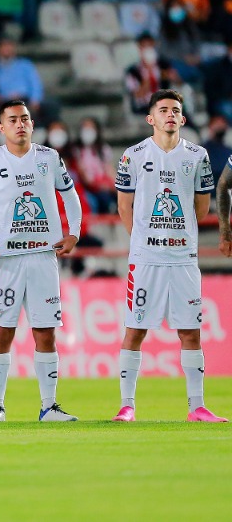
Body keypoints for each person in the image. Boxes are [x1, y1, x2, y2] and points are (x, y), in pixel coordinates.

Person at [0, 99, 84, 423]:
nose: (20, 124)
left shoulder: (49, 158)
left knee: (45, 334)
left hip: (43, 257)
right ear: (2, 127)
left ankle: (49, 406)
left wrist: (74, 233)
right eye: (13, 120)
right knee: (2, 334)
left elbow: (70, 196)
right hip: (6, 262)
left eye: (24, 118)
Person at [118, 90, 224, 422]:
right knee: (136, 329)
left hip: (182, 258)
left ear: (183, 118)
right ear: (150, 118)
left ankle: (197, 407)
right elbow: (124, 205)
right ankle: (127, 405)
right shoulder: (132, 155)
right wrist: (140, 242)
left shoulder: (197, 155)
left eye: (175, 110)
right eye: (162, 110)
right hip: (146, 258)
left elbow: (203, 205)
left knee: (190, 331)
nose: (169, 115)